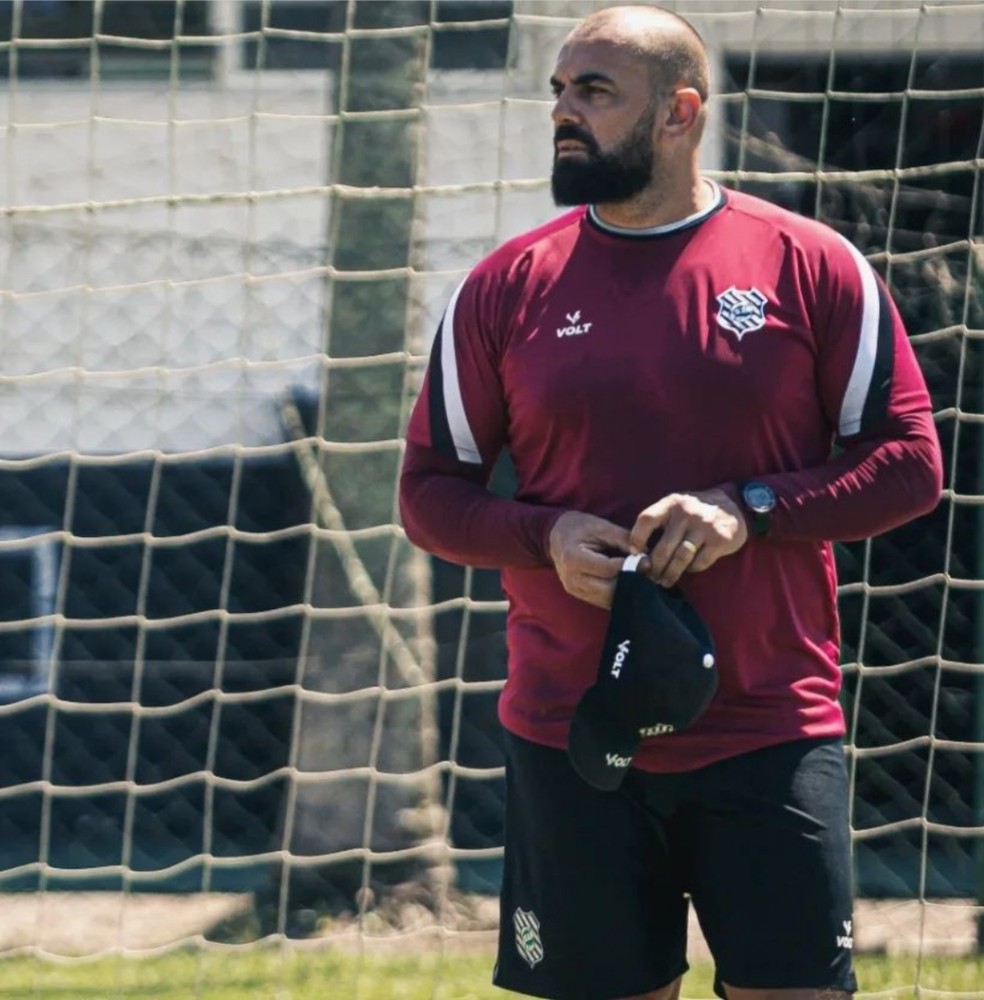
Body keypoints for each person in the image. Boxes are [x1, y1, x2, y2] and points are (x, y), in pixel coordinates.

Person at [398, 5, 943, 1000]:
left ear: (681, 111)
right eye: (560, 91)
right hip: (574, 728)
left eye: (595, 93)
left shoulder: (812, 266)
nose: (565, 112)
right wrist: (542, 532)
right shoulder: (503, 287)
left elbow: (910, 462)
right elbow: (430, 497)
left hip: (769, 727)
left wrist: (752, 508)